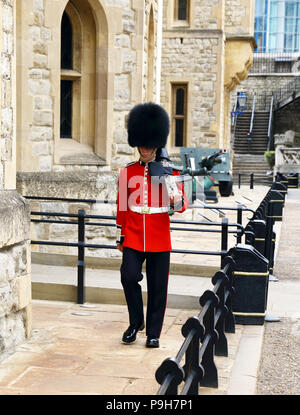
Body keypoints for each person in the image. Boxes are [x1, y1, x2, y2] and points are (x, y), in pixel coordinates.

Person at [116, 102, 189, 348]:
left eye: (149, 144)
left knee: (158, 288)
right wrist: (121, 236)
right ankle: (136, 322)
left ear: (156, 143)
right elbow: (123, 207)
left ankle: (153, 333)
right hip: (134, 234)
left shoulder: (167, 171)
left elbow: (181, 205)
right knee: (128, 277)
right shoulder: (128, 171)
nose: (145, 148)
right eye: (141, 144)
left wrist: (176, 199)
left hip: (159, 235)